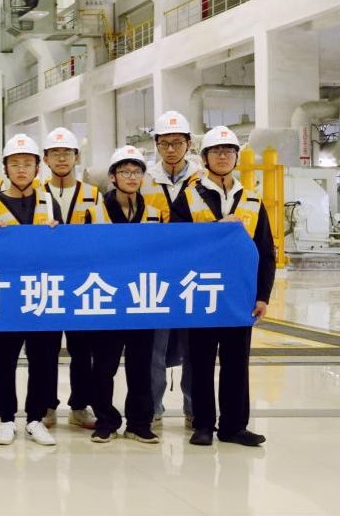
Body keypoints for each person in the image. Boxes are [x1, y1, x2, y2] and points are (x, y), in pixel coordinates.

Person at [172, 126, 274, 447]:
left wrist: (262, 295)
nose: (223, 156)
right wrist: (217, 227)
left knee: (236, 363)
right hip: (201, 292)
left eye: (229, 151)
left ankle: (234, 426)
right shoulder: (188, 196)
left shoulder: (253, 199)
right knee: (200, 362)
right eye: (216, 151)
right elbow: (177, 244)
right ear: (205, 158)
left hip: (239, 296)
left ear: (236, 157)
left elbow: (265, 252)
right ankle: (203, 424)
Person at [0, 134, 62, 447]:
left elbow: (61, 247)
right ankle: (5, 419)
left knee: (42, 360)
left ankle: (35, 419)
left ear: (37, 167)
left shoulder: (48, 202)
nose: (22, 169)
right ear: (6, 168)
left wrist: (56, 232)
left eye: (27, 163)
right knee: (5, 360)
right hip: (6, 295)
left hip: (41, 292)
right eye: (15, 164)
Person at [88, 146, 161, 444]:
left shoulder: (154, 213)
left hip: (142, 298)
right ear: (112, 177)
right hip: (106, 298)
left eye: (136, 172)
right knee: (103, 366)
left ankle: (139, 423)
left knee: (140, 365)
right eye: (124, 171)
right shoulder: (95, 212)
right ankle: (105, 420)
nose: (131, 177)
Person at [141, 110, 201, 428]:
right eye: (164, 143)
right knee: (155, 347)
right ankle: (153, 406)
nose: (171, 149)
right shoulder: (145, 181)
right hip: (156, 277)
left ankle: (194, 407)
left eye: (177, 143)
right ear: (157, 145)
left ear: (189, 144)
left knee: (195, 347)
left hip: (194, 276)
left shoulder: (203, 181)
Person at [40, 127, 101, 431]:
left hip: (81, 284)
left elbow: (103, 237)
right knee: (45, 350)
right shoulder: (36, 195)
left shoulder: (93, 195)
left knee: (82, 350)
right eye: (55, 153)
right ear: (46, 159)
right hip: (46, 283)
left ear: (76, 156)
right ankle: (46, 405)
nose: (61, 158)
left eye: (67, 152)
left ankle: (80, 405)